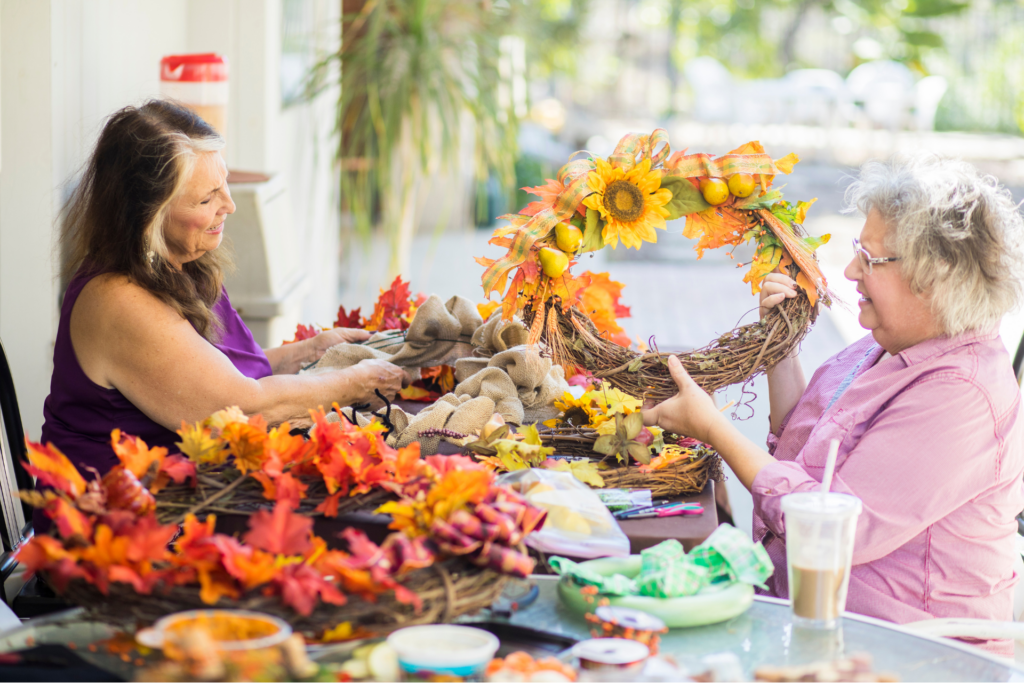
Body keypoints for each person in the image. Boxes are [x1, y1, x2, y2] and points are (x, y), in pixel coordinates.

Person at [643, 153, 1024, 649]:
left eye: (870, 258)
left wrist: (714, 429)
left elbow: (832, 526)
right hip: (800, 610)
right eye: (854, 249)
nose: (848, 270)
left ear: (934, 277)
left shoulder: (963, 395)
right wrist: (778, 349)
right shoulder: (891, 341)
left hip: (895, 651)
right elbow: (804, 449)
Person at [41, 100, 407, 478]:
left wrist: (309, 351)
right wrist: (357, 382)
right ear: (149, 215)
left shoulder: (174, 262)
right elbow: (240, 410)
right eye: (206, 198)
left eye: (224, 184)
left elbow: (208, 370)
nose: (229, 205)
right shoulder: (118, 301)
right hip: (117, 519)